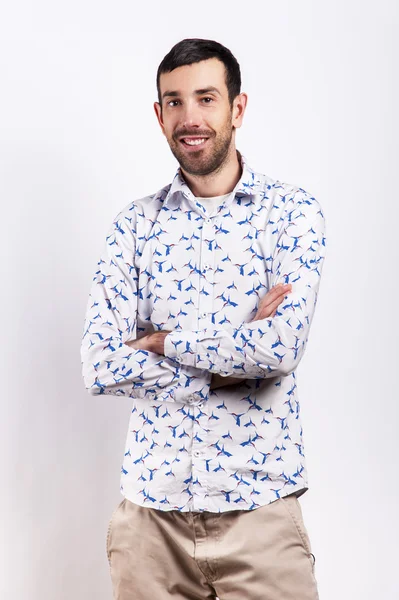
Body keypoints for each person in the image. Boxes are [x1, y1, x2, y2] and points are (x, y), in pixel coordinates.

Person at [80, 37, 326, 600]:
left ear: (237, 109)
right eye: (174, 101)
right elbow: (99, 365)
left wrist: (161, 342)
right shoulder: (132, 227)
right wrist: (231, 362)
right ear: (159, 114)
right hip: (150, 520)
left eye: (206, 98)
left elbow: (282, 347)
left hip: (260, 513)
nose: (190, 118)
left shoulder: (292, 214)